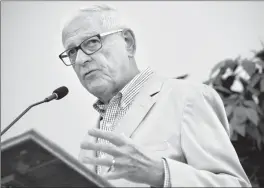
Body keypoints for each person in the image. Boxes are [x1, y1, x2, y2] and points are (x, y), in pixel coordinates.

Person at [59, 4, 251, 187]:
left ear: (128, 43)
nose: (81, 59)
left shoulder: (187, 98)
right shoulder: (88, 144)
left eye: (92, 42)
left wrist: (162, 174)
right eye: (72, 52)